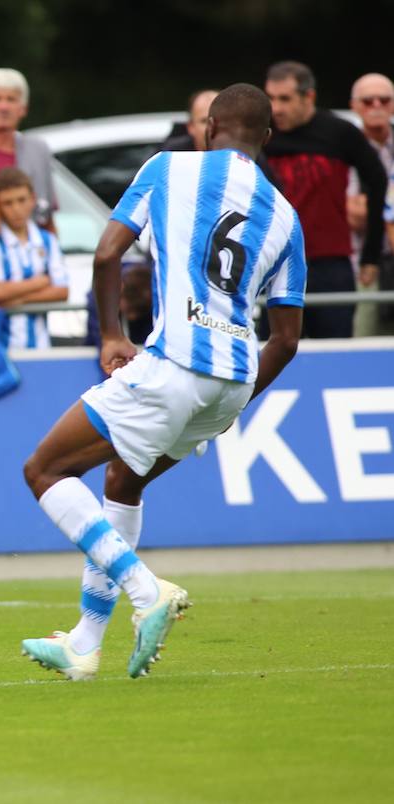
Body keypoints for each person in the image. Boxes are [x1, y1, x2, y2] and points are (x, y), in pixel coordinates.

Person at [20, 84, 306, 681]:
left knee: (45, 470)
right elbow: (286, 339)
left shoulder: (171, 167)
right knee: (123, 480)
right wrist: (230, 403)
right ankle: (83, 643)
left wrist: (110, 336)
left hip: (176, 359)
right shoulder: (285, 215)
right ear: (268, 138)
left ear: (208, 127)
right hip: (232, 381)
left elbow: (106, 255)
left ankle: (146, 591)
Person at [263, 61, 383, 339]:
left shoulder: (339, 132)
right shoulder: (262, 134)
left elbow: (377, 179)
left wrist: (370, 256)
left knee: (335, 349)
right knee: (268, 349)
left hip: (328, 263)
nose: (276, 107)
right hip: (272, 263)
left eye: (285, 99)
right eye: (270, 97)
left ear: (309, 97)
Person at [0, 167, 69, 349]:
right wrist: (42, 282)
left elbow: (62, 291)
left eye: (21, 200)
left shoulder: (47, 240)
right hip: (4, 347)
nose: (16, 209)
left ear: (33, 199)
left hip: (42, 347)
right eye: (8, 203)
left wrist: (17, 300)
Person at [0, 69, 58, 227]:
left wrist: (53, 249)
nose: (4, 107)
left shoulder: (38, 150)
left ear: (24, 109)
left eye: (11, 99)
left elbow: (46, 216)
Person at [346, 73, 394, 336]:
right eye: (368, 100)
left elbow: (363, 207)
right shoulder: (345, 145)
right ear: (354, 106)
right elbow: (352, 215)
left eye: (384, 100)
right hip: (362, 267)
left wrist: (375, 203)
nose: (376, 106)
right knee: (363, 341)